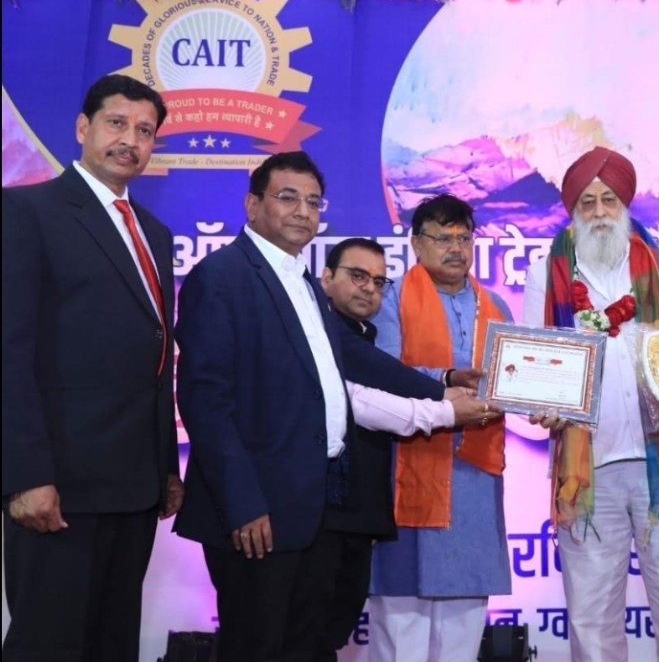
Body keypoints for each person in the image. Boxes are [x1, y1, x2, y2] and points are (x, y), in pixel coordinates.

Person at [173, 152, 497, 662]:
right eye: (288, 198)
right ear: (252, 205)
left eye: (313, 202)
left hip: (307, 508)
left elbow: (351, 354)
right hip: (257, 511)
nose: (303, 211)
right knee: (256, 647)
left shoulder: (298, 280)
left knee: (304, 647)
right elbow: (205, 402)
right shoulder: (221, 276)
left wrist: (442, 386)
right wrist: (244, 503)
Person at [1, 74, 181, 662]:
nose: (130, 140)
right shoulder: (27, 211)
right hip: (60, 486)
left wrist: (165, 466)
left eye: (145, 131)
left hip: (135, 487)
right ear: (83, 128)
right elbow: (9, 351)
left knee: (112, 644)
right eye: (117, 123)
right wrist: (25, 475)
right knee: (49, 645)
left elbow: (156, 355)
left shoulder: (154, 233)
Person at [522, 146, 659, 662]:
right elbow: (532, 364)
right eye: (586, 203)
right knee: (591, 615)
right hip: (586, 471)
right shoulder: (546, 272)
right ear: (573, 210)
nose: (599, 212)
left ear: (625, 204)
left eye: (609, 200)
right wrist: (537, 405)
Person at [367, 194, 512, 662]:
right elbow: (384, 376)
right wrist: (446, 382)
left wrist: (546, 401)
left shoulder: (496, 306)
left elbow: (515, 379)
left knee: (463, 627)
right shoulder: (390, 300)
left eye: (464, 238)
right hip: (409, 468)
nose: (456, 248)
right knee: (402, 623)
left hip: (474, 478)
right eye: (443, 238)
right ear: (416, 243)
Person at [315, 238, 395, 658]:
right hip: (320, 518)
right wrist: (447, 393)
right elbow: (369, 407)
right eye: (358, 275)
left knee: (331, 635)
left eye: (379, 282)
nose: (369, 288)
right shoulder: (317, 337)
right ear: (326, 278)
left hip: (359, 518)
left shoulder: (367, 339)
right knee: (303, 637)